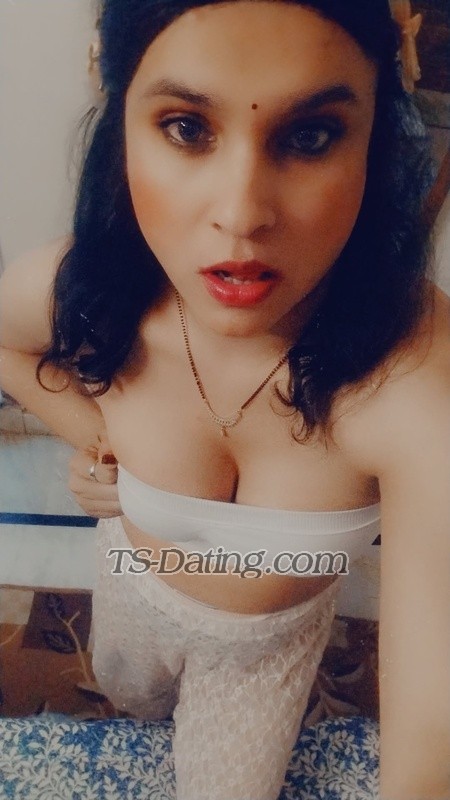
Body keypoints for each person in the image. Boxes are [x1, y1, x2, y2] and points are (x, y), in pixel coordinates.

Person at [0, 0, 449, 797]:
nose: (241, 214)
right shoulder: (84, 291)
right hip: (132, 591)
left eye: (311, 136)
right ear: (121, 121)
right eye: (185, 127)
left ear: (376, 137)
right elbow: (7, 344)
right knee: (130, 703)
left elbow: (432, 748)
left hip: (265, 658)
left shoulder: (414, 370)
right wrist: (94, 432)